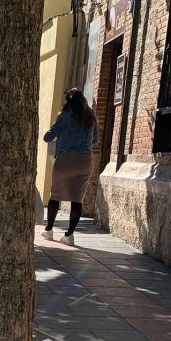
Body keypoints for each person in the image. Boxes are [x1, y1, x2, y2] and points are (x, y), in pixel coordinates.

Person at [41, 88, 99, 246]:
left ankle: (49, 229)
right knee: (77, 198)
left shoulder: (64, 117)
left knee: (55, 195)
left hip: (65, 160)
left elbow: (48, 137)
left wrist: (59, 129)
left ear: (68, 101)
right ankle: (69, 235)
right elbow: (95, 140)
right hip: (85, 161)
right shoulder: (90, 117)